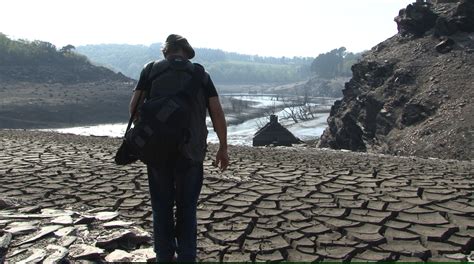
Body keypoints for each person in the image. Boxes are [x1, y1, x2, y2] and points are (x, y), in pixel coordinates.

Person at [128, 34, 229, 262]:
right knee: (187, 209)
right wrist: (223, 147)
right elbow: (217, 113)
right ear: (187, 52)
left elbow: (134, 107)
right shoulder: (201, 74)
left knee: (161, 207)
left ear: (166, 51)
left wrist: (150, 136)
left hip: (157, 153)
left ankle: (164, 257)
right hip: (191, 152)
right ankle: (186, 257)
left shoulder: (151, 70)